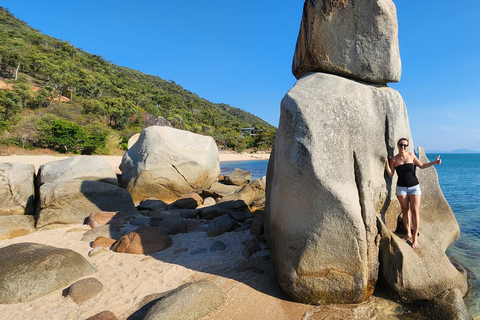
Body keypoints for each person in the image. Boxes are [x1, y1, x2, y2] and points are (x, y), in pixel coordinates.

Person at [385, 138, 441, 249]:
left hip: (414, 187)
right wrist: (386, 163)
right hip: (401, 188)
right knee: (405, 211)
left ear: (407, 146)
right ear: (398, 146)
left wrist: (434, 162)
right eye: (401, 145)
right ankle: (408, 233)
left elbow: (422, 166)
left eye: (405, 145)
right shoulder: (394, 160)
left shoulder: (411, 156)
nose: (403, 147)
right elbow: (391, 174)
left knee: (415, 211)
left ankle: (415, 237)